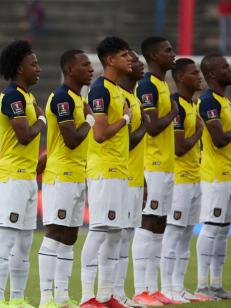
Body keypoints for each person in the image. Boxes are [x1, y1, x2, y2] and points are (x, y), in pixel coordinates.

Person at [0, 40, 44, 308]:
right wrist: (42, 120)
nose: (38, 69)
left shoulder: (28, 97)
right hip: (12, 177)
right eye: (33, 64)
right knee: (7, 239)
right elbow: (24, 135)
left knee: (23, 243)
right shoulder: (12, 96)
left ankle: (18, 299)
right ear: (20, 68)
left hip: (27, 178)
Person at [38, 49, 93, 308]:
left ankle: (61, 295)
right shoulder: (62, 98)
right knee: (55, 232)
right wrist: (91, 118)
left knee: (71, 235)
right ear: (70, 70)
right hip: (61, 174)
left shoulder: (75, 98)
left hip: (77, 173)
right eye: (85, 65)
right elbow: (71, 140)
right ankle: (46, 297)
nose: (91, 69)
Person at [80, 37, 132, 308]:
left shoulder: (118, 90)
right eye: (124, 55)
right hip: (104, 170)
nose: (130, 59)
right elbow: (99, 134)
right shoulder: (100, 89)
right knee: (100, 230)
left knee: (116, 233)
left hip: (120, 170)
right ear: (110, 60)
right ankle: (88, 297)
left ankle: (106, 295)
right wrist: (125, 119)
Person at [131, 36, 178, 306]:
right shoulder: (147, 85)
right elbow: (152, 126)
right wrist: (172, 113)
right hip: (152, 165)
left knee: (160, 225)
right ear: (152, 55)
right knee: (148, 222)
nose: (172, 54)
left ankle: (153, 287)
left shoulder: (161, 84)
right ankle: (141, 290)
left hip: (166, 166)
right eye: (167, 51)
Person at [195, 53, 231, 300]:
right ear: (212, 74)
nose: (230, 69)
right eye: (225, 67)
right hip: (214, 176)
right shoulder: (209, 102)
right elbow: (219, 140)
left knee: (223, 230)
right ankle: (202, 286)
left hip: (230, 174)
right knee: (212, 228)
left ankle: (217, 285)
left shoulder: (225, 101)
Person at [159, 58, 205, 303]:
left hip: (194, 177)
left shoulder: (192, 104)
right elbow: (178, 147)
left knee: (187, 233)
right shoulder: (175, 104)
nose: (199, 77)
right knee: (174, 232)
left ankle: (179, 286)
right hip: (179, 179)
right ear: (180, 78)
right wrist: (199, 131)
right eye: (194, 73)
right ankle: (167, 287)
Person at [114, 50, 148, 307]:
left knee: (127, 236)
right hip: (119, 177)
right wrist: (145, 123)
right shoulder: (120, 98)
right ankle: (112, 292)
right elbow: (125, 142)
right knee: (117, 236)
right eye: (135, 61)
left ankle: (120, 293)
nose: (140, 64)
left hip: (135, 176)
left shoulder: (133, 98)